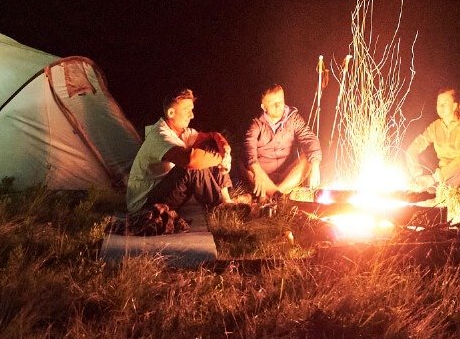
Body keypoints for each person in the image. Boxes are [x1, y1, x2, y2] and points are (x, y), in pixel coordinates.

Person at [122, 89, 233, 234]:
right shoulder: (159, 135)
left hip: (164, 190)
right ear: (171, 113)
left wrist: (225, 150)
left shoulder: (181, 132)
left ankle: (227, 200)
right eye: (187, 110)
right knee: (192, 166)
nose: (192, 115)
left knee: (210, 147)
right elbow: (188, 160)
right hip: (146, 203)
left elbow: (212, 136)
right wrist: (220, 159)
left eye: (192, 110)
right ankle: (219, 208)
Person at [241, 84, 322, 199]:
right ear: (264, 107)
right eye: (273, 103)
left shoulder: (293, 119)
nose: (279, 106)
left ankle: (275, 195)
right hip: (263, 175)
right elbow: (248, 147)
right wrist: (256, 169)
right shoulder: (256, 123)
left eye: (281, 101)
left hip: (286, 176)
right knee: (249, 167)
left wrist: (315, 164)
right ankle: (279, 196)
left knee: (308, 159)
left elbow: (309, 138)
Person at [405, 88, 460, 188]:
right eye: (438, 103)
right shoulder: (435, 126)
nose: (440, 107)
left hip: (459, 172)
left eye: (444, 103)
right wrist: (416, 171)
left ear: (455, 106)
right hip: (441, 174)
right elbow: (416, 146)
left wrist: (434, 178)